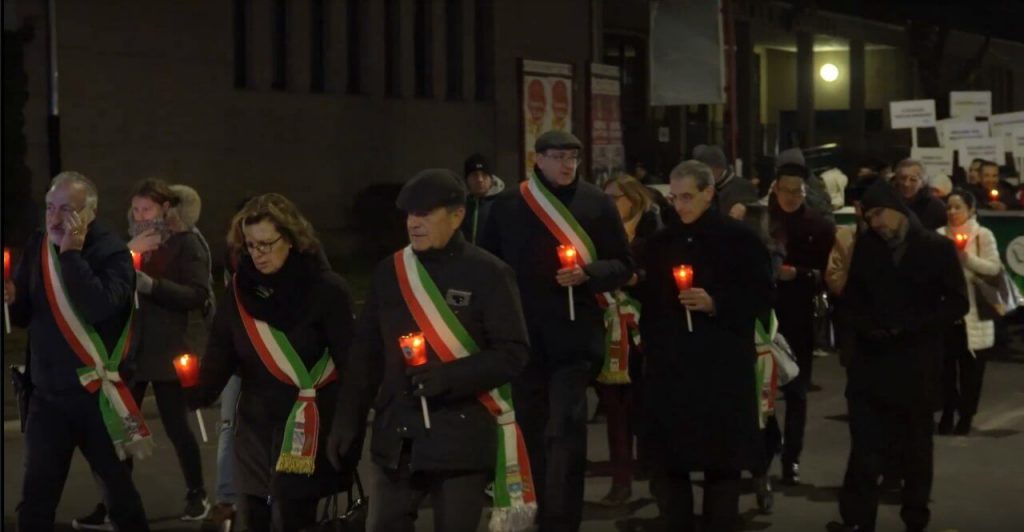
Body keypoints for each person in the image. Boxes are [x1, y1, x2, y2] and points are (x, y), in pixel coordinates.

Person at [328, 169, 534, 531]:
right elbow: (365, 356)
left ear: (457, 216)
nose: (414, 223)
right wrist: (347, 421)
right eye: (410, 214)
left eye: (425, 214)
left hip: (460, 436)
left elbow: (513, 352)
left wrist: (450, 378)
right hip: (398, 437)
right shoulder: (389, 272)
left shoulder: (489, 273)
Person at [480, 130, 634, 531]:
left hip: (575, 339)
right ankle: (531, 511)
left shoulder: (598, 204)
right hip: (524, 338)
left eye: (573, 157)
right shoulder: (508, 205)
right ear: (539, 158)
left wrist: (588, 273)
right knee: (529, 431)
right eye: (559, 156)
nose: (568, 164)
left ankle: (563, 521)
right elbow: (486, 268)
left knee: (565, 431)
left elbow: (623, 264)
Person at [186, 193, 357, 532]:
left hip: (306, 426)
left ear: (291, 240)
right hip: (255, 428)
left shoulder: (326, 290)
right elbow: (222, 350)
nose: (257, 254)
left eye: (266, 244)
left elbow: (352, 365)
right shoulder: (239, 292)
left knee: (292, 518)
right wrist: (196, 390)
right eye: (250, 245)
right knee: (252, 517)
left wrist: (348, 428)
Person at [5, 171, 151, 531]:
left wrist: (71, 255)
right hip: (47, 398)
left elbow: (99, 306)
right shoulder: (39, 244)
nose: (54, 219)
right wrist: (11, 301)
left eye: (66, 210)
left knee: (119, 495)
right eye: (49, 208)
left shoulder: (112, 251)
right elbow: (26, 314)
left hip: (97, 398)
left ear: (90, 213)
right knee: (36, 500)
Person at [637, 160, 774, 532]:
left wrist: (717, 303)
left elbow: (761, 295)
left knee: (722, 464)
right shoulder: (660, 243)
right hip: (671, 369)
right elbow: (649, 300)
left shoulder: (739, 239)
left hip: (721, 369)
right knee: (670, 464)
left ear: (709, 193)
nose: (679, 206)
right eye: (674, 197)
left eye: (687, 197)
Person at [827, 180, 968, 532]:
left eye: (878, 214)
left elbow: (956, 302)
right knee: (865, 450)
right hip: (872, 366)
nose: (875, 223)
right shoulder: (868, 248)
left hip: (915, 364)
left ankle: (915, 517)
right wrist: (863, 328)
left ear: (897, 209)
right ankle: (858, 520)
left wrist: (912, 324)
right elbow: (851, 301)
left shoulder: (935, 248)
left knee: (916, 451)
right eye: (869, 217)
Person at [74, 179, 213, 529]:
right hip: (131, 350)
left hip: (168, 349)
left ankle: (197, 493)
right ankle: (113, 502)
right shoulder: (129, 244)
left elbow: (197, 294)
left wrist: (152, 286)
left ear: (166, 209)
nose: (140, 215)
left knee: (176, 425)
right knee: (123, 427)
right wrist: (125, 260)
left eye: (147, 209)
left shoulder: (186, 243)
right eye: (135, 210)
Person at [594, 175, 660, 507]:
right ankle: (621, 480)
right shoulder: (604, 235)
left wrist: (636, 279)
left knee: (646, 407)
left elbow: (660, 279)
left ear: (632, 199)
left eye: (612, 197)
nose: (607, 203)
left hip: (644, 330)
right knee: (616, 409)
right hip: (610, 330)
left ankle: (655, 469)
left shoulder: (652, 235)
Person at [769, 163, 835, 486]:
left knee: (796, 391)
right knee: (761, 389)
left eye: (798, 191)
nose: (791, 197)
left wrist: (801, 274)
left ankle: (791, 457)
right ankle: (768, 447)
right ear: (776, 189)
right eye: (786, 190)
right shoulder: (763, 220)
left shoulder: (818, 226)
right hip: (763, 314)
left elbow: (827, 272)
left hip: (798, 315)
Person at [936, 189, 1001, 436]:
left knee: (972, 372)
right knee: (945, 370)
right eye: (949, 207)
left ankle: (966, 415)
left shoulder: (982, 235)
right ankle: (948, 410)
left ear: (971, 210)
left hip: (975, 314)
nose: (952, 212)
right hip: (947, 314)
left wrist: (966, 259)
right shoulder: (940, 236)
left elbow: (994, 268)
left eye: (957, 207)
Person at [693, 144, 758, 218]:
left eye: (705, 170)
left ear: (719, 168)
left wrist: (744, 208)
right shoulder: (702, 187)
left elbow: (754, 216)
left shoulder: (744, 187)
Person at [461, 153, 506, 244]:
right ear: (467, 179)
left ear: (491, 179)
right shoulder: (459, 205)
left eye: (484, 175)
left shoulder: (503, 204)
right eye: (475, 175)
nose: (480, 179)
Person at [893, 159, 947, 230]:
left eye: (913, 180)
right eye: (903, 178)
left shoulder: (936, 207)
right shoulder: (889, 202)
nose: (906, 184)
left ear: (922, 183)